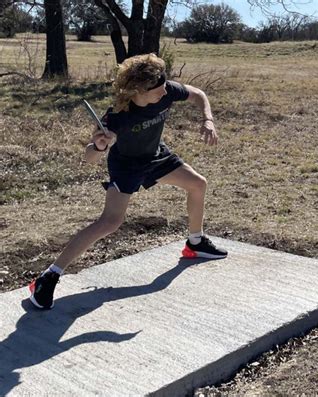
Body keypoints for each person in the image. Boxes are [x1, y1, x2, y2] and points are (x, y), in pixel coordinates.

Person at [28, 53, 227, 310]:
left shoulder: (166, 90)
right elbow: (89, 157)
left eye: (165, 86)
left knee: (198, 184)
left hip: (156, 156)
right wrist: (99, 146)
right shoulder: (118, 116)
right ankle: (48, 277)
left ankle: (195, 242)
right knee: (110, 222)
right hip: (126, 167)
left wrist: (208, 119)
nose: (165, 92)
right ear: (137, 91)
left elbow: (198, 94)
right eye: (157, 90)